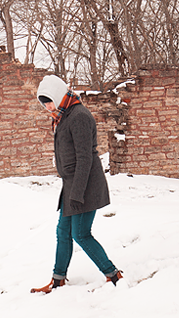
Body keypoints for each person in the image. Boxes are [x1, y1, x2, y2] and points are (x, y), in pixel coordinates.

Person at [30, 74, 122, 293]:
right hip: (71, 185)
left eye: (49, 101)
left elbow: (85, 158)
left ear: (59, 96)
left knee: (80, 234)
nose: (47, 107)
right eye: (44, 104)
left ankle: (113, 274)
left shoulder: (78, 116)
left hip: (85, 184)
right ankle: (58, 280)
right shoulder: (64, 115)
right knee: (63, 232)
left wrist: (78, 193)